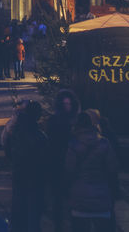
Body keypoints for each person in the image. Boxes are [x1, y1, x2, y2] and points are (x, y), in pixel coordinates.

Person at [62, 111, 119, 231]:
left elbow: (69, 170)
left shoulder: (73, 144)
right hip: (101, 195)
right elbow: (112, 168)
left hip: (79, 195)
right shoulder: (104, 143)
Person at [5, 100, 48, 232]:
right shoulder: (39, 136)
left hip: (19, 174)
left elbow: (8, 150)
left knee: (18, 209)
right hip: (34, 177)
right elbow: (44, 159)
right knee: (33, 214)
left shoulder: (15, 131)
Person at [45, 89, 82, 231]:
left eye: (70, 103)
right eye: (65, 103)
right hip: (57, 164)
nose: (68, 106)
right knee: (58, 200)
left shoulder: (75, 121)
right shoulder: (54, 121)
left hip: (72, 164)